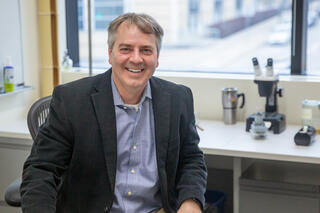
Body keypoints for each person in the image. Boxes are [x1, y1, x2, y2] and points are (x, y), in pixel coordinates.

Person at [21, 13, 207, 213]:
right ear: (110, 54)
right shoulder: (71, 100)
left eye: (146, 50)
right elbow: (41, 169)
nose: (136, 59)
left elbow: (191, 159)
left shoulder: (178, 98)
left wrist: (191, 201)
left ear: (157, 58)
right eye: (126, 49)